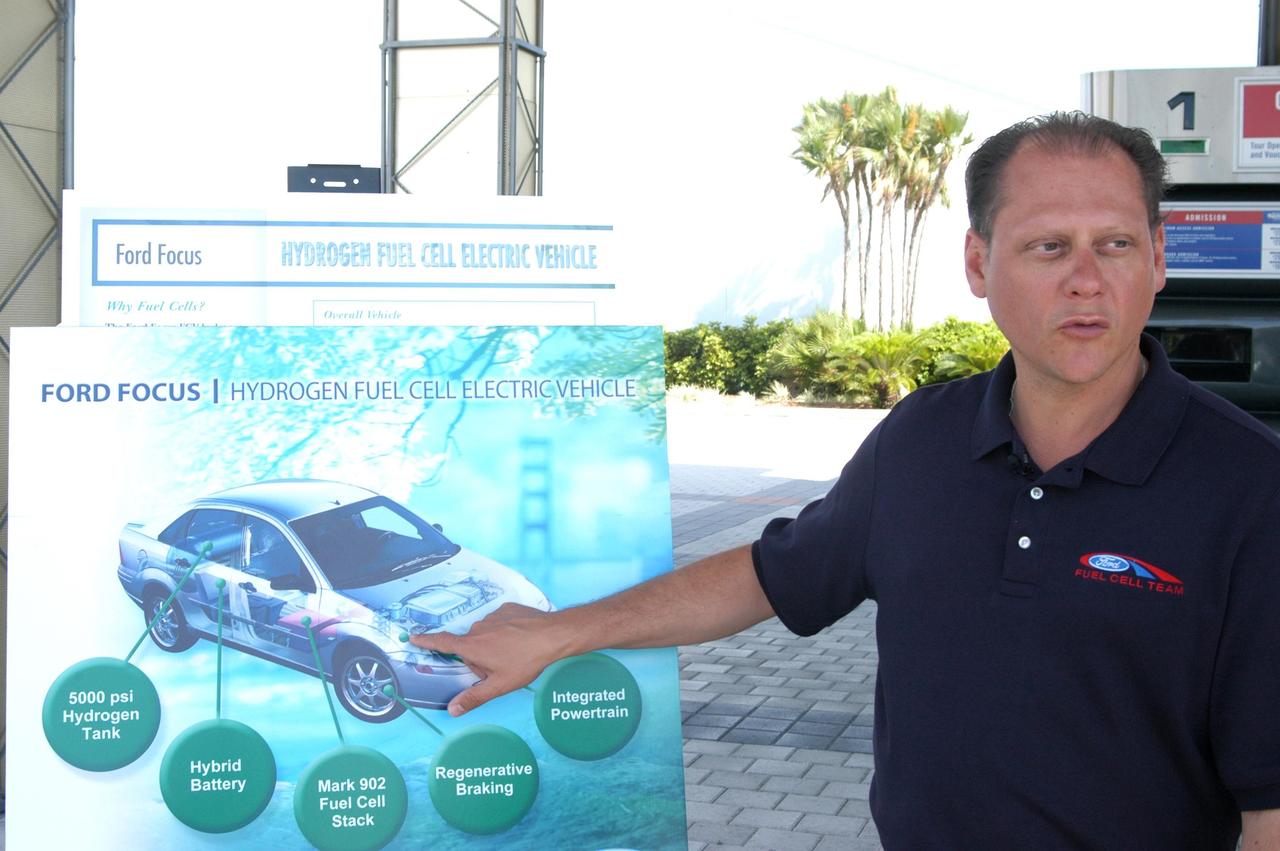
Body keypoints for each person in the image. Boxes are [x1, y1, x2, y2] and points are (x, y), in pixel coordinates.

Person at [413, 112, 1280, 848]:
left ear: (1158, 257)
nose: (1086, 280)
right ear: (979, 263)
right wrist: (557, 633)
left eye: (1116, 244)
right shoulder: (921, 440)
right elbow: (771, 574)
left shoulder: (1250, 488)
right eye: (1048, 246)